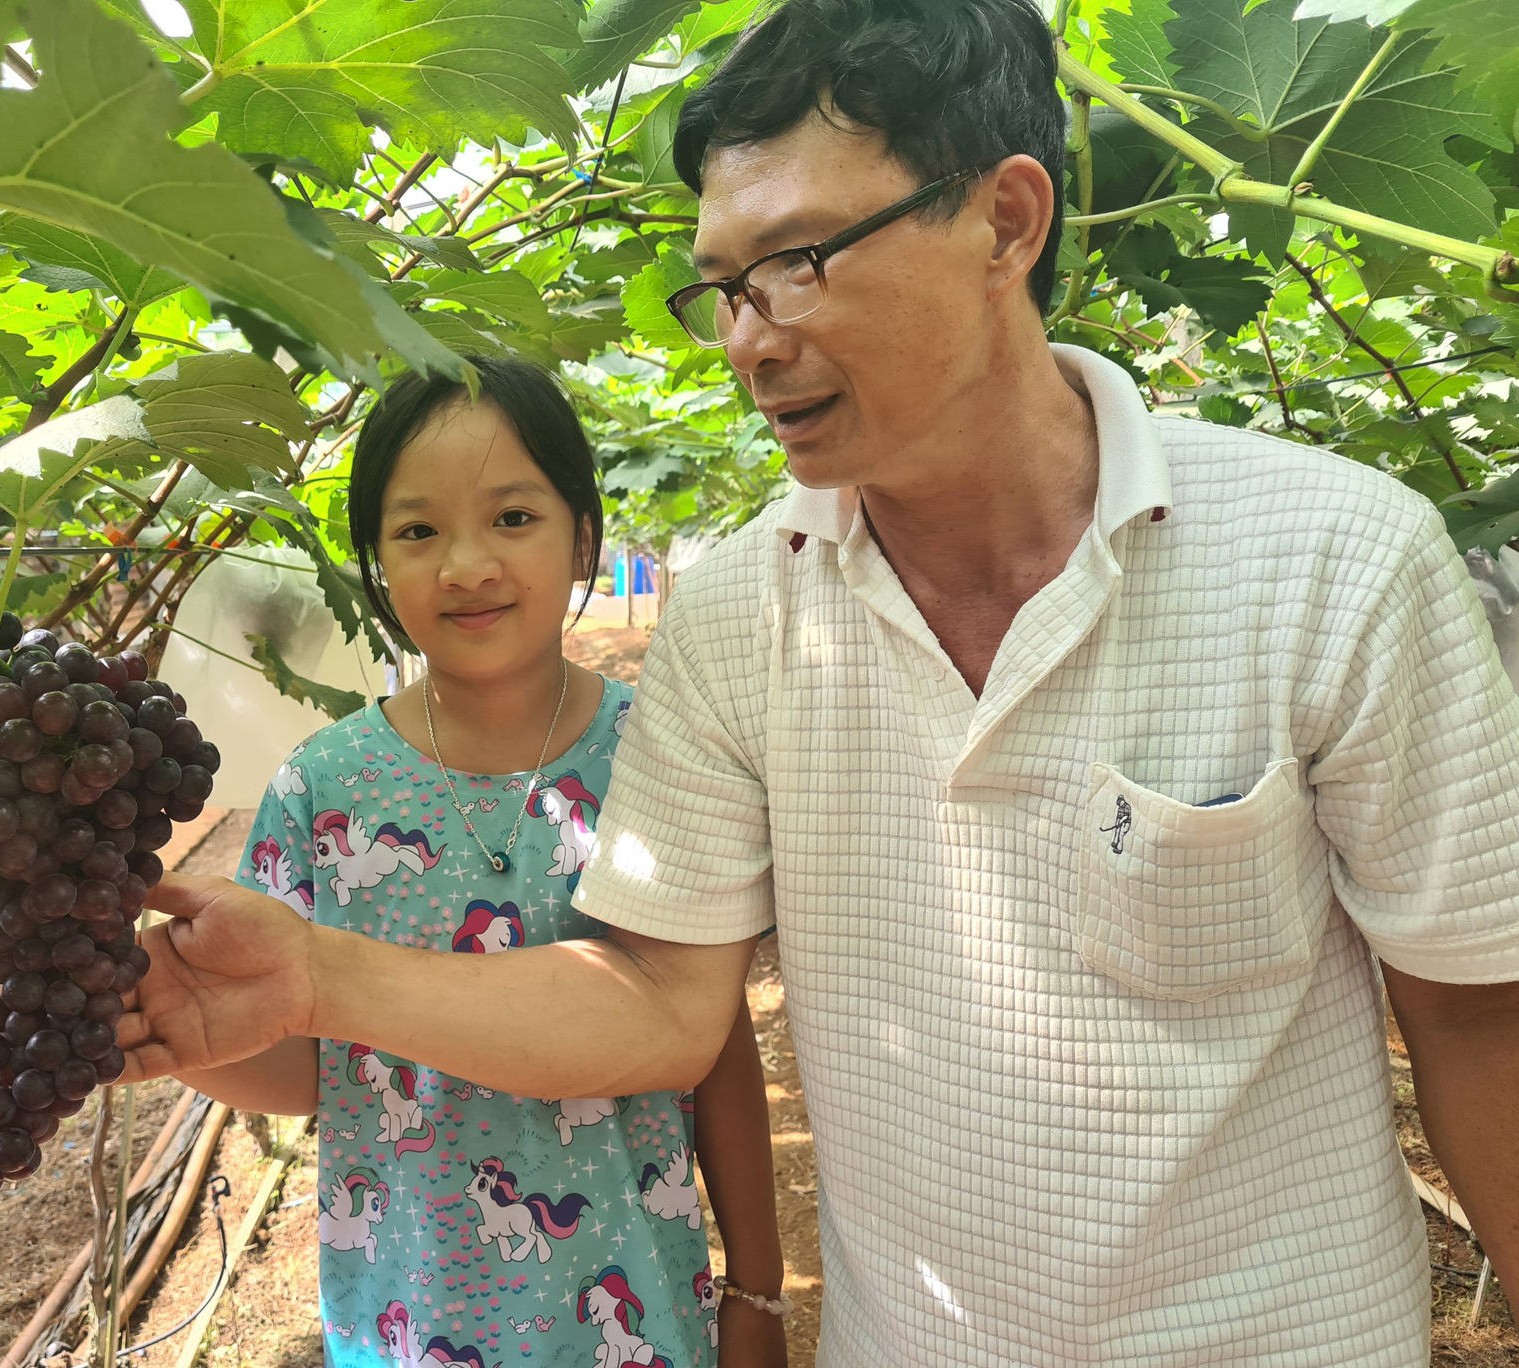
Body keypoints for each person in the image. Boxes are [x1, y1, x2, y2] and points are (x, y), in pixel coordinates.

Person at [121, 1, 1519, 1362]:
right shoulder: (738, 614)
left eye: (798, 259)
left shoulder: (1335, 558)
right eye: (724, 287)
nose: (749, 337)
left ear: (1008, 221)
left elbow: (1475, 1015)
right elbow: (663, 1004)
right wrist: (315, 976)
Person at [161, 356, 787, 1367]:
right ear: (374, 558)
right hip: (411, 1321)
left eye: (512, 518)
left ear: (584, 535)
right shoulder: (323, 787)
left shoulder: (660, 753)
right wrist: (158, 1015)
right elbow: (298, 1065)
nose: (467, 566)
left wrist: (757, 1292)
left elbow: (708, 1041)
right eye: (418, 531)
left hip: (636, 1323)